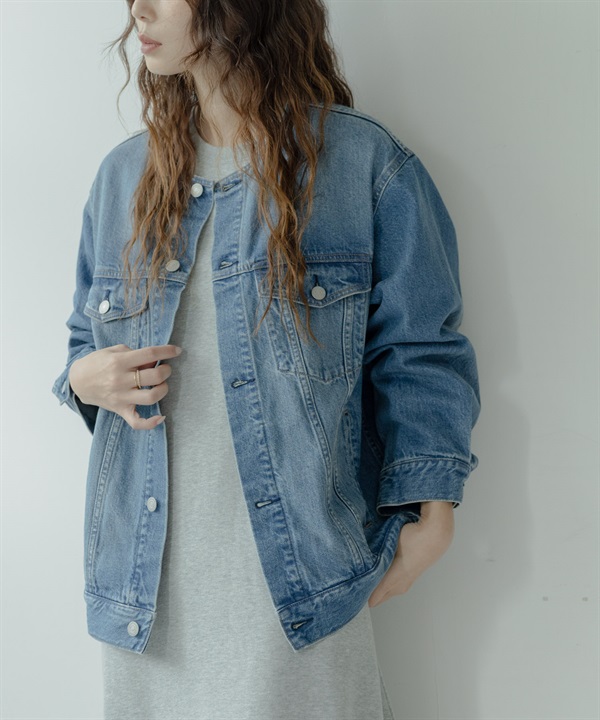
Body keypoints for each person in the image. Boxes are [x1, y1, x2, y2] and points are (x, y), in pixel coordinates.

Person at [51, 1, 481, 718]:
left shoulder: (361, 164)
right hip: (146, 589)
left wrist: (433, 511)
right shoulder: (124, 177)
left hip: (305, 577)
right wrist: (82, 379)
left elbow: (420, 350)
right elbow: (81, 343)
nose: (138, 9)